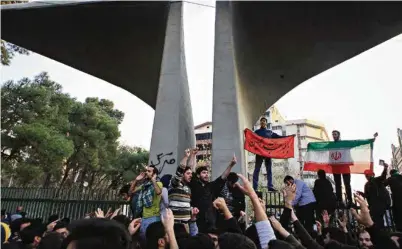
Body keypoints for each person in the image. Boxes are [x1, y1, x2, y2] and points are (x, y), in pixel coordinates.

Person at [189, 154, 237, 233]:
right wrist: (192, 155)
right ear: (198, 175)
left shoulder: (211, 186)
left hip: (211, 222)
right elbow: (190, 169)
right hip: (197, 221)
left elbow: (223, 177)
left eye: (207, 173)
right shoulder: (195, 184)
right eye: (204, 173)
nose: (206, 174)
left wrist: (231, 165)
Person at [130, 165, 163, 238]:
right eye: (146, 171)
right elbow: (131, 192)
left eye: (149, 171)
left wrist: (153, 179)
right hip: (144, 217)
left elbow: (158, 192)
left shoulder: (158, 184)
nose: (146, 172)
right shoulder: (144, 186)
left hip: (154, 217)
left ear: (154, 174)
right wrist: (136, 180)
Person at [253, 117, 281, 191]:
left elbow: (278, 137)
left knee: (269, 170)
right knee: (257, 170)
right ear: (260, 123)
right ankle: (255, 187)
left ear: (266, 123)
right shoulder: (257, 132)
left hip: (268, 153)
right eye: (261, 121)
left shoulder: (269, 132)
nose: (262, 122)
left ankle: (270, 187)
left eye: (264, 121)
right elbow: (252, 138)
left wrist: (289, 137)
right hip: (259, 153)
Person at [168, 149, 196, 222]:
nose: (191, 175)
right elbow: (180, 171)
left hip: (186, 223)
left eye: (191, 174)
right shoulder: (174, 183)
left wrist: (193, 155)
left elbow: (190, 167)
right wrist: (186, 157)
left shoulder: (188, 187)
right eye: (188, 174)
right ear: (182, 175)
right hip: (174, 222)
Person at [363, 162, 391, 229]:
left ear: (372, 175)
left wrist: (385, 168)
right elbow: (367, 195)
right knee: (376, 221)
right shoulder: (366, 185)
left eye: (368, 175)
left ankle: (382, 231)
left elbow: (383, 177)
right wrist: (361, 194)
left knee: (379, 221)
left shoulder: (376, 180)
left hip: (380, 204)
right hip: (373, 206)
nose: (367, 176)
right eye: (366, 175)